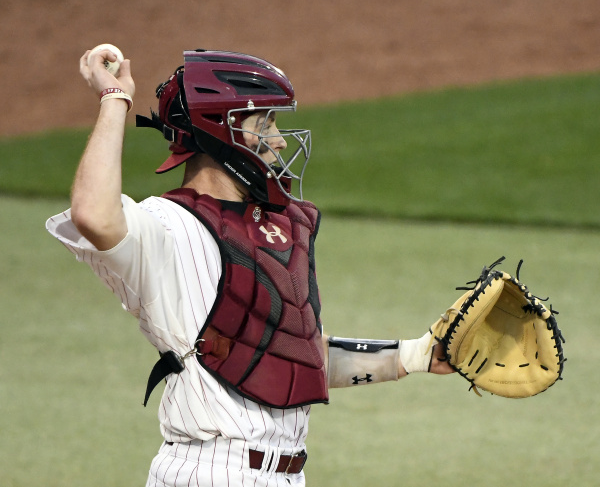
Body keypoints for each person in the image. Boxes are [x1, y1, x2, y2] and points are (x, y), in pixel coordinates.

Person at [46, 47, 454, 487]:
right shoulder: (164, 230)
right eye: (266, 123)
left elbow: (290, 354)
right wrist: (114, 97)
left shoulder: (277, 228)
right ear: (221, 131)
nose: (279, 140)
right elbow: (93, 213)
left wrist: (416, 355)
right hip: (210, 472)